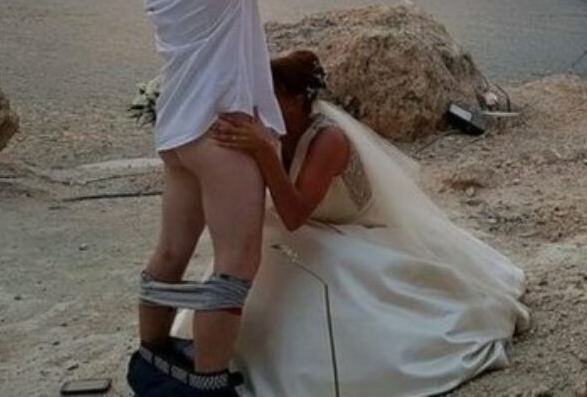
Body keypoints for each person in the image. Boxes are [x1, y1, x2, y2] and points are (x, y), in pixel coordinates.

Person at [131, 0, 377, 396]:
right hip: (223, 132)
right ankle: (209, 384)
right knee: (237, 262)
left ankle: (151, 359)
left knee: (170, 251)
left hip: (179, 129)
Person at [189, 50, 530, 396]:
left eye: (270, 94)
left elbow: (294, 215)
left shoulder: (328, 140)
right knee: (253, 249)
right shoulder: (271, 129)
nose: (260, 103)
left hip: (355, 228)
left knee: (322, 263)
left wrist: (264, 153)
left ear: (296, 99)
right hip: (310, 227)